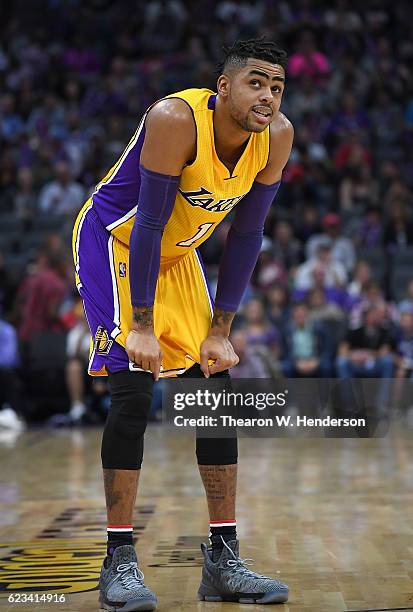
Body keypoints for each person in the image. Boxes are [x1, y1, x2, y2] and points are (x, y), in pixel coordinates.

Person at [72, 39, 293, 610]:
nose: (268, 95)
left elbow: (246, 236)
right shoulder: (174, 118)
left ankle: (223, 558)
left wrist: (221, 329)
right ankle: (117, 560)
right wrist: (140, 325)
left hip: (175, 258)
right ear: (223, 87)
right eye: (256, 82)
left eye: (276, 86)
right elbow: (146, 223)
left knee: (214, 390)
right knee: (132, 390)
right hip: (116, 243)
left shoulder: (278, 139)